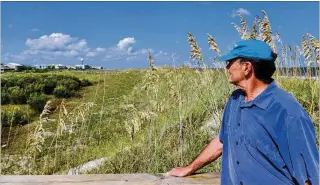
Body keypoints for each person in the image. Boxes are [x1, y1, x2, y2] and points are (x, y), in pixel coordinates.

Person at [167, 39, 319, 185]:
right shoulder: (235, 100)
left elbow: (308, 177)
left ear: (247, 67)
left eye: (230, 62)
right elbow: (222, 140)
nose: (226, 68)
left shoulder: (287, 111)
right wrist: (190, 168)